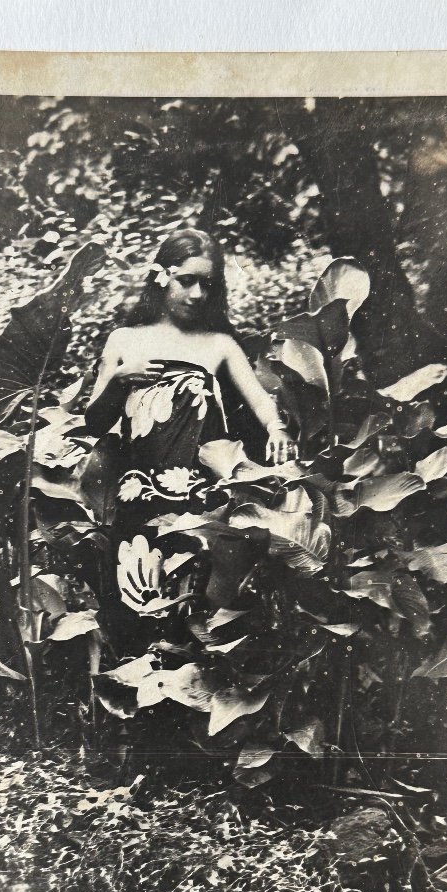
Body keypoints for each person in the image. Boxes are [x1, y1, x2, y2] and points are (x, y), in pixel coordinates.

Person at [81, 230, 298, 640]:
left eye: (208, 284)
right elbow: (93, 420)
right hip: (137, 499)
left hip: (199, 503)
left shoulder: (219, 344)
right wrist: (118, 379)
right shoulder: (125, 340)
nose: (198, 294)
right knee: (138, 610)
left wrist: (277, 427)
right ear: (162, 277)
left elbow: (258, 398)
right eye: (187, 280)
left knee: (193, 617)